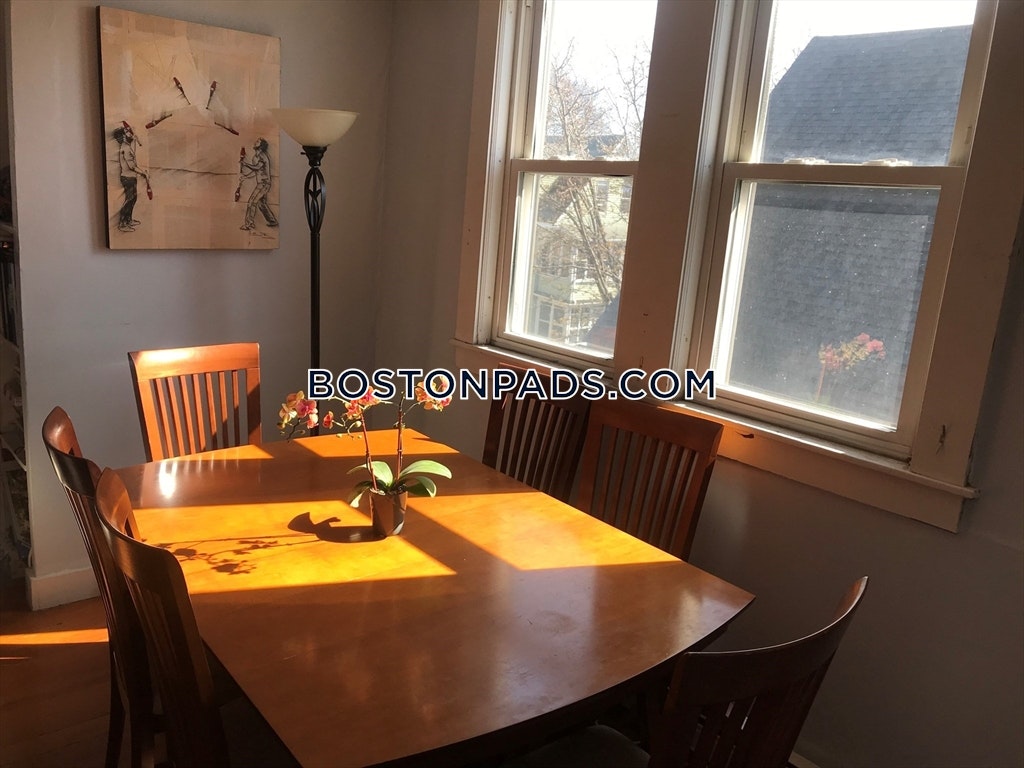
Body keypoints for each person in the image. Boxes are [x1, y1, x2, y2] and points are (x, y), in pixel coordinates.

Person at [113, 125, 148, 233]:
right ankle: (123, 223)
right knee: (129, 200)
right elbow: (132, 166)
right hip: (128, 178)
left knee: (133, 199)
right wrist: (143, 173)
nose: (131, 133)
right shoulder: (126, 148)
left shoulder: (127, 146)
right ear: (124, 136)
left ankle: (128, 220)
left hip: (130, 177)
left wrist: (135, 140)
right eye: (128, 132)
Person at [239, 137, 279, 231]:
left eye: (258, 142)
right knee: (262, 204)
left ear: (261, 146)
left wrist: (245, 164)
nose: (255, 142)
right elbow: (256, 171)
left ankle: (249, 224)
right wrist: (246, 176)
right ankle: (272, 221)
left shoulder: (262, 156)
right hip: (263, 183)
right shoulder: (256, 157)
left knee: (252, 202)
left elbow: (257, 167)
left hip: (264, 184)